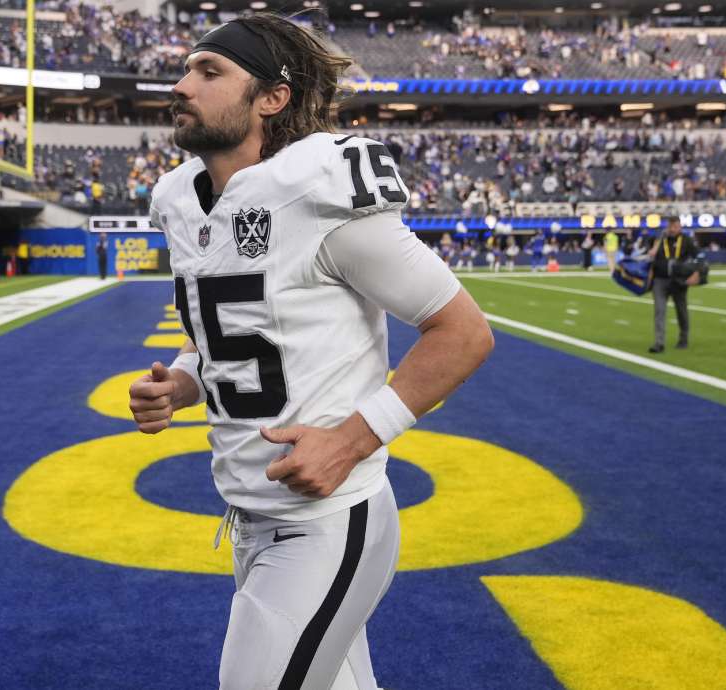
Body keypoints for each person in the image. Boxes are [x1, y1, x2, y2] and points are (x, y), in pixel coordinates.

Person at [127, 15, 493, 690]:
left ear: (273, 97)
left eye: (210, 73)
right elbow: (239, 321)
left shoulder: (318, 189)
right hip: (252, 518)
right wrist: (184, 380)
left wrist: (353, 439)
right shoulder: (180, 196)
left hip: (328, 522)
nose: (182, 85)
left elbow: (464, 332)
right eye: (187, 69)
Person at [647, 217, 699, 353]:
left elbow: (698, 257)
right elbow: (650, 256)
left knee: (681, 311)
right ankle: (659, 343)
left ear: (680, 227)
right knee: (659, 310)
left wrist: (696, 273)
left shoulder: (687, 240)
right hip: (660, 279)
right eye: (670, 226)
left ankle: (683, 338)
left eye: (675, 226)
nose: (672, 229)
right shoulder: (659, 239)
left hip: (678, 281)